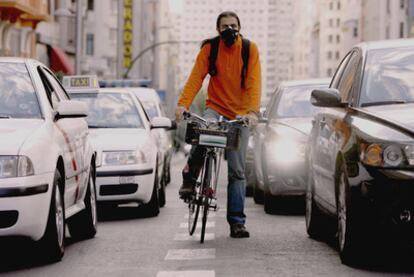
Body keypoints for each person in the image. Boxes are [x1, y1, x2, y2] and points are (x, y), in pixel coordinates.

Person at [175, 11, 261, 238]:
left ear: (240, 28)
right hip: (216, 108)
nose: (230, 29)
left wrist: (252, 112)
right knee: (202, 134)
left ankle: (237, 222)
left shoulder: (249, 49)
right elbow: (196, 78)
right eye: (225, 26)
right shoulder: (210, 49)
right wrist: (182, 105)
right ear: (218, 30)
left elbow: (254, 82)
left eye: (234, 25)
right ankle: (190, 176)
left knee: (237, 171)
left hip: (240, 115)